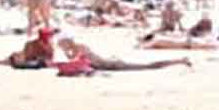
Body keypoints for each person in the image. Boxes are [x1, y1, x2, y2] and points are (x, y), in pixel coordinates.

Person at [57, 36, 191, 72]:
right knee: (149, 65)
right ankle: (180, 60)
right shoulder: (75, 49)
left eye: (62, 44)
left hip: (113, 65)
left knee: (149, 66)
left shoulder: (80, 47)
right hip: (110, 63)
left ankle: (180, 60)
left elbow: (76, 62)